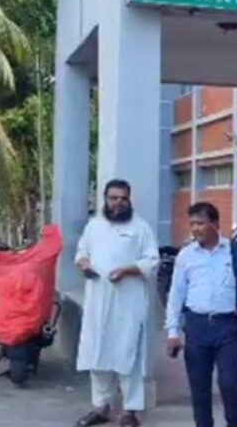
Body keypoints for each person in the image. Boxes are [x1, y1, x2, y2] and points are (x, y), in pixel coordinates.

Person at [166, 202, 237, 427]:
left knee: (230, 382)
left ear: (215, 224)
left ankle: (234, 422)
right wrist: (173, 332)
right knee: (199, 387)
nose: (195, 228)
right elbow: (176, 295)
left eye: (200, 223)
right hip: (197, 326)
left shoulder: (233, 250)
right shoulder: (186, 256)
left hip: (226, 326)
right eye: (192, 224)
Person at [74, 180, 160, 427]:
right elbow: (81, 252)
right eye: (114, 198)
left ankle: (131, 411)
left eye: (123, 198)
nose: (119, 203)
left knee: (128, 356)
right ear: (105, 199)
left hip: (128, 305)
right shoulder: (94, 226)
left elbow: (152, 260)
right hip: (97, 303)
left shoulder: (140, 228)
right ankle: (101, 408)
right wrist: (84, 264)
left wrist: (128, 270)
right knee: (97, 355)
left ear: (129, 200)